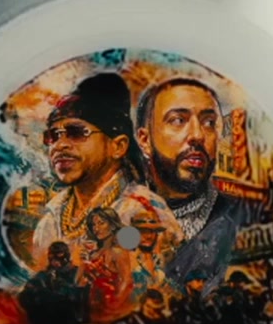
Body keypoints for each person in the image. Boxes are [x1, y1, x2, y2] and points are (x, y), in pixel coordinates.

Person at [28, 72, 182, 274]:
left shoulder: (143, 211)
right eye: (53, 136)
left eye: (76, 132)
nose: (60, 145)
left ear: (117, 146)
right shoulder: (52, 216)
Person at [134, 77, 260, 293]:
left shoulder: (243, 218)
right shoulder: (120, 215)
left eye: (209, 123)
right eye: (178, 120)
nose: (198, 135)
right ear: (145, 140)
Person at [79, 207, 138, 324]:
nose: (96, 228)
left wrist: (114, 306)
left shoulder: (118, 251)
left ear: (112, 225)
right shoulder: (95, 253)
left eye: (101, 223)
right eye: (93, 225)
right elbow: (81, 282)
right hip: (94, 306)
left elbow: (126, 280)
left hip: (112, 309)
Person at [18, 241, 86, 324]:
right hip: (48, 314)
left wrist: (60, 287)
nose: (55, 261)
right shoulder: (46, 274)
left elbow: (77, 294)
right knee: (28, 295)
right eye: (52, 257)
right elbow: (30, 288)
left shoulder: (76, 272)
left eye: (58, 256)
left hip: (67, 313)